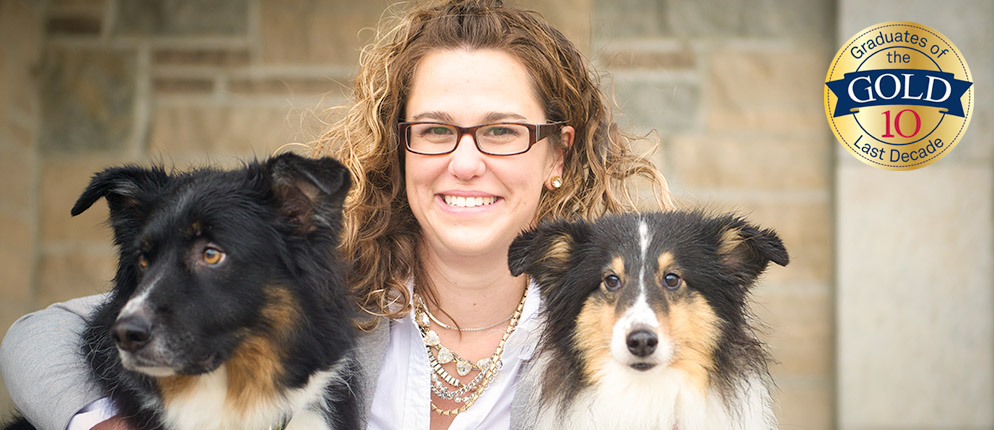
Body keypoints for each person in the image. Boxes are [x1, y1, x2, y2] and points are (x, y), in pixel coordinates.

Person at [0, 0, 676, 429]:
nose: (466, 162)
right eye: (435, 129)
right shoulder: (325, 290)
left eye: (501, 131)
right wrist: (99, 424)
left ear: (556, 154)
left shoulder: (632, 337)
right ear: (399, 147)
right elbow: (38, 336)